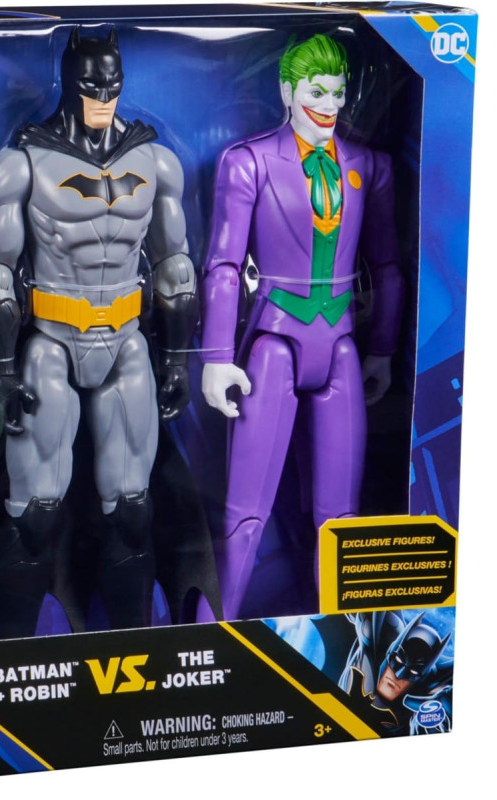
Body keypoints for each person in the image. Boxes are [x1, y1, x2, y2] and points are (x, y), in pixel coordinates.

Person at [0, 28, 199, 637]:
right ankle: (3, 657)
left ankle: (136, 653)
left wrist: (178, 357)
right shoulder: (22, 165)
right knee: (34, 511)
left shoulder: (155, 162)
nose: (103, 94)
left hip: (126, 341)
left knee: (133, 508)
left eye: (112, 84)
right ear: (69, 81)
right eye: (91, 84)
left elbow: (175, 263)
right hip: (50, 340)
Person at [200, 34, 405, 620]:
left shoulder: (369, 166)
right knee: (246, 510)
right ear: (287, 91)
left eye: (338, 92)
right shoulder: (250, 162)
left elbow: (387, 266)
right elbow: (223, 265)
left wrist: (382, 348)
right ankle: (216, 629)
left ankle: (343, 636)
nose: (329, 104)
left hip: (341, 347)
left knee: (341, 515)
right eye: (317, 91)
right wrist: (216, 357)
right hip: (275, 343)